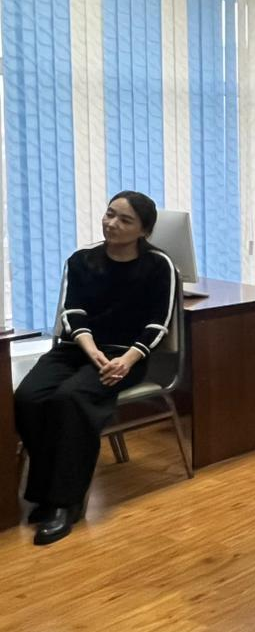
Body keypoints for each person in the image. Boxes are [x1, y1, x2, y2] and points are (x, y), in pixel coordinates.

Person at [15, 191, 177, 546]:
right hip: (78, 348)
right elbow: (73, 312)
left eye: (124, 220)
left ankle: (65, 503)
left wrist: (127, 359)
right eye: (109, 214)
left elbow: (159, 322)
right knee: (29, 397)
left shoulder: (158, 265)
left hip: (125, 357)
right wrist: (90, 349)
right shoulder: (82, 260)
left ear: (144, 231)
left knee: (71, 399)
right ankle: (43, 493)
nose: (111, 223)